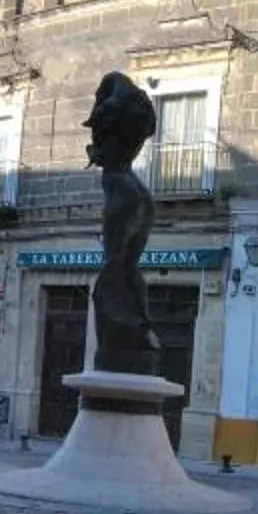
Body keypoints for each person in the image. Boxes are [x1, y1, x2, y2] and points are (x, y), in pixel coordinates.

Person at [83, 72, 159, 372]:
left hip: (124, 200)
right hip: (136, 200)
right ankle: (140, 326)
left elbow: (114, 259)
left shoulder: (120, 185)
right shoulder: (135, 189)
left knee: (117, 266)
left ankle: (134, 328)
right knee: (126, 266)